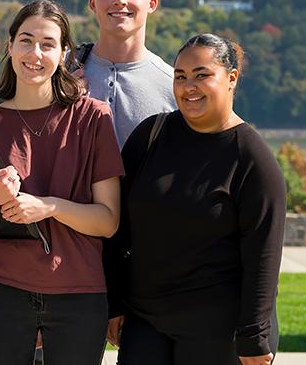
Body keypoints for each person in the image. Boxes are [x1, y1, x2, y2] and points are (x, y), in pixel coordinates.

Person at [0, 0, 124, 365]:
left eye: (47, 43)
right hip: (1, 293)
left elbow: (108, 221)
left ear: (64, 52)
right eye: (25, 41)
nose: (34, 53)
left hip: (79, 295)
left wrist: (48, 207)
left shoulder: (93, 119)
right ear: (9, 46)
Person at [105, 33, 286, 365]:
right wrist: (114, 303)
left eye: (202, 75)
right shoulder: (150, 136)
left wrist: (254, 336)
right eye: (180, 76)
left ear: (231, 78)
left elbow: (264, 255)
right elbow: (119, 231)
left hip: (219, 329)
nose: (189, 86)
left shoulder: (252, 160)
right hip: (145, 320)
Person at [79, 0, 177, 148]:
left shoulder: (174, 86)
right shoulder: (60, 72)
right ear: (93, 3)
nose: (119, 0)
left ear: (152, 3)